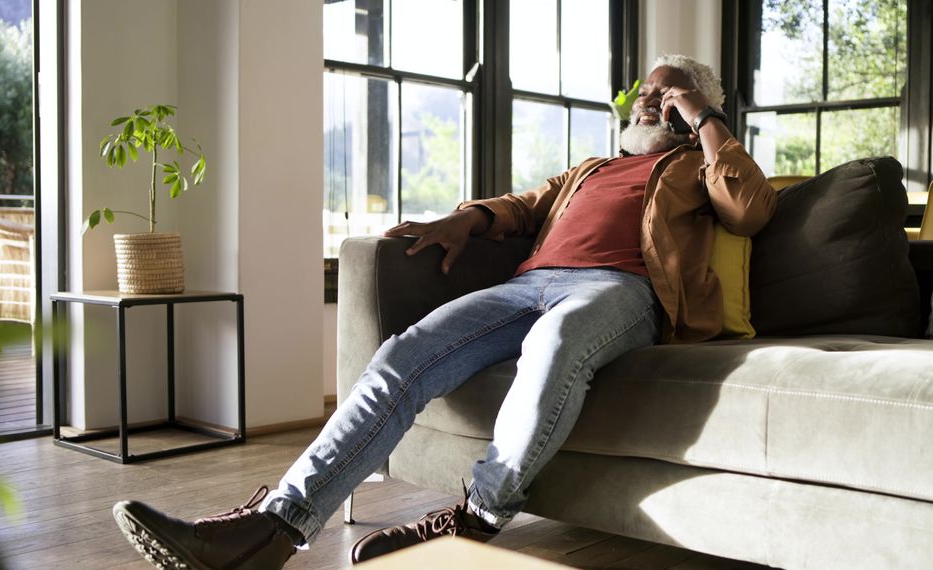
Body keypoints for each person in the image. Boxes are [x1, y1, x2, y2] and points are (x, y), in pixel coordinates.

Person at [112, 54, 777, 570]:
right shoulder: (594, 167)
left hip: (620, 293)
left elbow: (750, 209)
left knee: (556, 345)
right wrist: (466, 220)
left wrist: (702, 116)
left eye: (662, 93)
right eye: (644, 93)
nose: (645, 101)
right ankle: (270, 530)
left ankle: (476, 516)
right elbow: (524, 205)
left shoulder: (697, 166)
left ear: (685, 107)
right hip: (532, 283)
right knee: (404, 353)